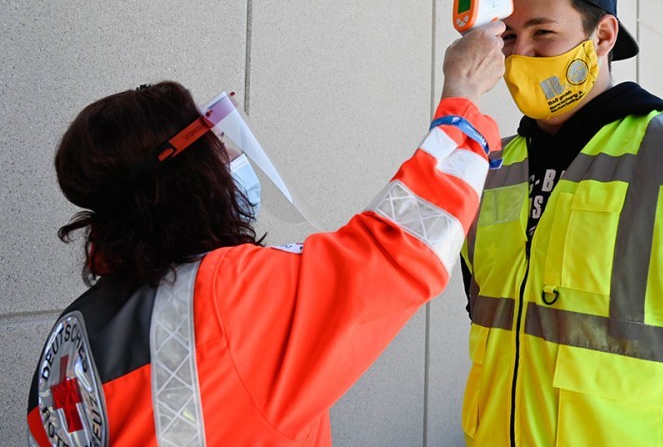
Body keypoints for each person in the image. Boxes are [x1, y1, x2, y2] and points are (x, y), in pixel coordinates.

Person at [25, 23, 506, 446]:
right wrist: (462, 100)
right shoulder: (226, 296)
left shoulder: (68, 340)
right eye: (216, 143)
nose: (230, 157)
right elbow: (400, 248)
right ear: (186, 178)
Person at [459, 0, 663, 446]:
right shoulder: (490, 169)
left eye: (542, 32)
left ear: (603, 36)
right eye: (509, 37)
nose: (521, 53)